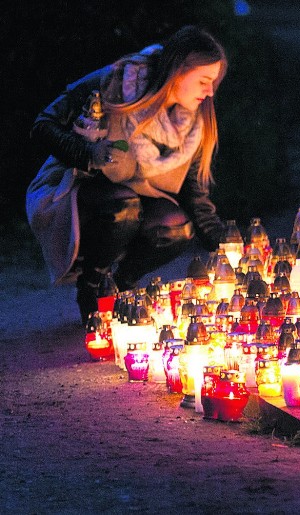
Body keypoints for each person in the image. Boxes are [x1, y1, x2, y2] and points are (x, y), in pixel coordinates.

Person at [27, 26, 228, 323]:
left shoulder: (191, 124)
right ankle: (92, 286)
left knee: (175, 226)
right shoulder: (116, 83)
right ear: (177, 71)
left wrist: (226, 246)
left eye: (213, 82)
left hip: (134, 195)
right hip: (77, 190)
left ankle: (122, 287)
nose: (210, 91)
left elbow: (194, 192)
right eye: (203, 80)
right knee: (125, 206)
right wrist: (87, 154)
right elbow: (43, 124)